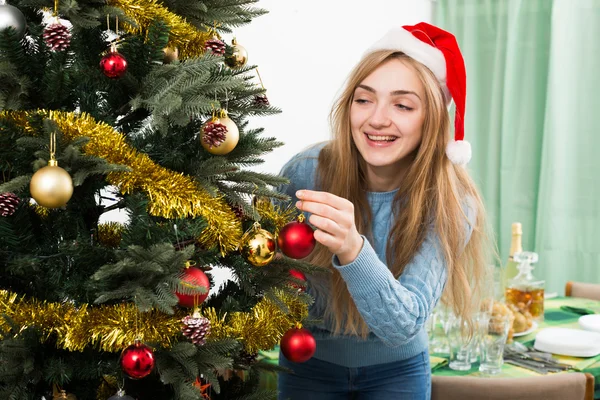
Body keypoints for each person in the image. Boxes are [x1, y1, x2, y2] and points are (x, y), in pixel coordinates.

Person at [276, 22, 492, 399]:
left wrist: (352, 247)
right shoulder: (306, 172)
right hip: (306, 366)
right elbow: (260, 270)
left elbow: (402, 324)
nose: (377, 119)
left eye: (403, 105)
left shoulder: (452, 200)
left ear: (432, 119)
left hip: (398, 373)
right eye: (364, 99)